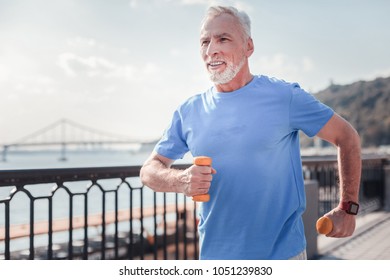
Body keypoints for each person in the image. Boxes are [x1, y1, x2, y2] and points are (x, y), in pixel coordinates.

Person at [140, 6, 361, 260]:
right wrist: (180, 181)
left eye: (223, 38)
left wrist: (348, 208)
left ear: (248, 46)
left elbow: (347, 137)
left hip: (281, 258)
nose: (212, 49)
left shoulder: (284, 96)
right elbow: (148, 171)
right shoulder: (189, 111)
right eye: (205, 41)